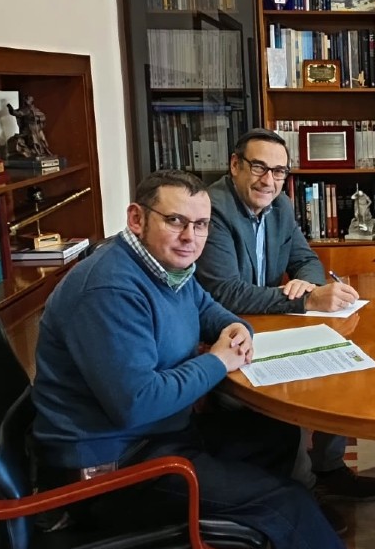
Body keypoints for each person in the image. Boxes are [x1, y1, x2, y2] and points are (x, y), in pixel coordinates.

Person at [31, 170, 342, 547]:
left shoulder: (165, 266)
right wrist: (218, 361)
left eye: (201, 225)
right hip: (109, 471)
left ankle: (256, 531)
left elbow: (206, 308)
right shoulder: (108, 289)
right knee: (287, 503)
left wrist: (237, 327)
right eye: (175, 220)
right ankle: (278, 519)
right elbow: (138, 403)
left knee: (277, 434)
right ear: (137, 218)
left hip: (158, 438)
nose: (189, 237)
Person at [195, 128, 375, 520]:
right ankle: (303, 499)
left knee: (340, 360)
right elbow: (225, 293)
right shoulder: (213, 211)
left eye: (279, 171)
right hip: (227, 336)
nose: (269, 180)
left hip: (269, 323)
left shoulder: (279, 205)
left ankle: (329, 467)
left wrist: (309, 284)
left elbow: (306, 259)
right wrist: (302, 300)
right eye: (259, 167)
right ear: (235, 165)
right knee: (296, 391)